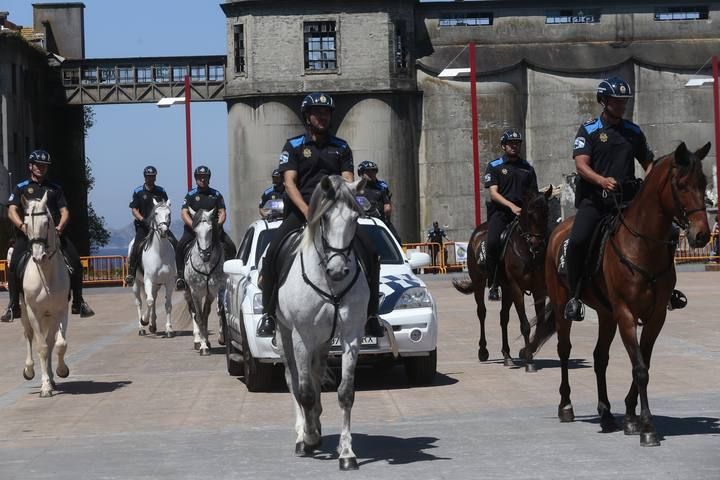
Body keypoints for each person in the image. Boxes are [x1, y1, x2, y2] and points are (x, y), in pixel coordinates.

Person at [255, 92, 384, 339]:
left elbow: (347, 180)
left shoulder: (341, 147)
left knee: (371, 251)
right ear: (307, 116)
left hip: (335, 214)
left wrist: (346, 204)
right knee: (272, 254)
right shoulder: (293, 146)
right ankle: (269, 314)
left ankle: (371, 315)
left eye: (326, 113)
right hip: (301, 212)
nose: (322, 117)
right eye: (317, 112)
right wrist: (306, 211)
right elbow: (289, 183)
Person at [564, 76, 686, 321]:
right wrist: (601, 180)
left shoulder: (633, 131)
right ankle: (575, 296)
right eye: (616, 100)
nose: (621, 105)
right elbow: (581, 165)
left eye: (624, 101)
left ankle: (667, 289)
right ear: (603, 101)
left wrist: (652, 188)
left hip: (628, 200)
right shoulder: (589, 130)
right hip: (596, 200)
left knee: (670, 232)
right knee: (577, 240)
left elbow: (649, 164)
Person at [1, 150, 94, 322]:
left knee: (75, 262)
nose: (41, 168)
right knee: (13, 266)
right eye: (38, 165)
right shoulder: (21, 187)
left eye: (44, 166)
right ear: (30, 166)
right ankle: (13, 306)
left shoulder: (55, 189)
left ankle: (78, 302)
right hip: (27, 236)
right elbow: (11, 210)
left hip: (53, 235)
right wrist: (22, 226)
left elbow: (65, 212)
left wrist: (59, 227)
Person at [483, 128, 538, 291]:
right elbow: (493, 193)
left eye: (517, 143)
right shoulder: (494, 166)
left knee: (542, 238)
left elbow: (533, 194)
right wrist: (511, 206)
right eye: (510, 143)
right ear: (503, 146)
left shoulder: (527, 168)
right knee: (492, 242)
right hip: (501, 213)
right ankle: (493, 281)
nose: (514, 146)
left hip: (523, 214)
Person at [175, 165, 237, 290]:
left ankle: (232, 275)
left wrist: (218, 225)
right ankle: (181, 277)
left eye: (205, 177)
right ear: (196, 179)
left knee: (231, 247)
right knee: (180, 246)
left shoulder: (216, 195)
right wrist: (193, 226)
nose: (202, 180)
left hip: (213, 230)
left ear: (209, 179)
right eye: (199, 177)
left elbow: (222, 212)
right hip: (193, 230)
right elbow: (184, 213)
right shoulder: (190, 195)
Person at [125, 166, 178, 286]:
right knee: (136, 246)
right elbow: (134, 209)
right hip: (143, 227)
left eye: (153, 176)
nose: (150, 178)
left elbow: (166, 207)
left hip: (160, 226)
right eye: (148, 176)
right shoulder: (138, 191)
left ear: (155, 177)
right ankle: (131, 273)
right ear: (144, 177)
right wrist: (143, 220)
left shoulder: (161, 191)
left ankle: (179, 274)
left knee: (175, 243)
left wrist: (165, 222)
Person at [357, 160, 401, 243]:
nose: (371, 173)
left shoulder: (381, 187)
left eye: (373, 171)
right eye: (368, 171)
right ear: (361, 173)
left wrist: (386, 220)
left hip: (380, 221)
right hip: (362, 223)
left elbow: (387, 207)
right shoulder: (356, 188)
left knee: (396, 240)